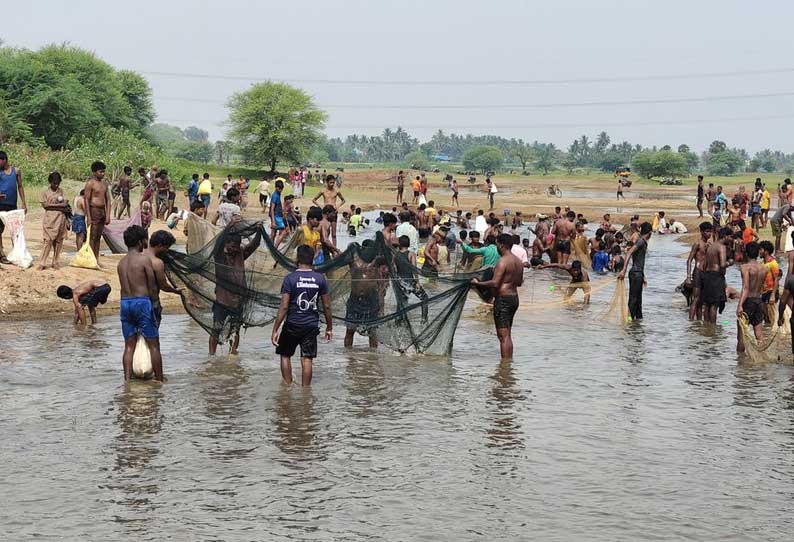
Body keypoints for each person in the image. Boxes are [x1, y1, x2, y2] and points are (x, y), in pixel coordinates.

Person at [271, 245, 332, 386]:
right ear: (313, 259)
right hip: (311, 325)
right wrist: (329, 327)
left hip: (292, 323)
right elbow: (327, 306)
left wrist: (275, 329)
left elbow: (284, 306)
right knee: (307, 359)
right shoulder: (320, 279)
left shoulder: (290, 279)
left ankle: (287, 387)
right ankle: (306, 391)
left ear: (297, 259)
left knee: (285, 355)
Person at [117, 225, 164, 381]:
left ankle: (127, 381)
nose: (146, 242)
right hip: (141, 302)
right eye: (145, 239)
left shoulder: (121, 263)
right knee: (153, 344)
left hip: (125, 303)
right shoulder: (144, 260)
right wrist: (155, 305)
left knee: (129, 346)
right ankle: (159, 380)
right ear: (140, 241)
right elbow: (151, 285)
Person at [210, 228, 263, 355]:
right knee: (216, 328)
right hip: (222, 300)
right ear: (226, 244)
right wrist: (229, 226)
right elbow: (217, 244)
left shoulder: (240, 253)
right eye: (233, 246)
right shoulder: (220, 256)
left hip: (238, 300)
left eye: (238, 246)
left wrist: (260, 231)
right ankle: (211, 356)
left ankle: (233, 353)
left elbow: (254, 244)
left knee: (236, 329)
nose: (235, 249)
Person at [471, 234, 524, 359]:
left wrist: (478, 284)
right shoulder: (518, 261)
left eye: (496, 245)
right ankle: (508, 364)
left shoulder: (503, 261)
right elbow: (519, 283)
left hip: (503, 300)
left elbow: (495, 283)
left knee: (502, 336)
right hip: (514, 299)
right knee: (507, 334)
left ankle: (504, 368)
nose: (496, 248)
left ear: (501, 245)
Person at [344, 240, 383, 349]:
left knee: (372, 332)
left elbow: (390, 257)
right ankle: (349, 358)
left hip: (371, 300)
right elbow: (342, 257)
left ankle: (372, 360)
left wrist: (382, 243)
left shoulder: (376, 262)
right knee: (350, 330)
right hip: (355, 300)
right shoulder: (354, 261)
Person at [146, 230, 184, 329]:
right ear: (159, 245)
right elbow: (163, 286)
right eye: (166, 248)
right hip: (151, 302)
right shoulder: (157, 262)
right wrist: (176, 291)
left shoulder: (138, 257)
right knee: (152, 339)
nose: (167, 251)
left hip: (135, 301)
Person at [736, 242, 767, 353]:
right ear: (758, 253)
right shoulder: (764, 268)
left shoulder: (745, 267)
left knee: (741, 335)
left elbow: (746, 287)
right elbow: (763, 287)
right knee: (759, 334)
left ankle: (740, 363)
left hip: (748, 301)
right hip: (759, 301)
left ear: (746, 253)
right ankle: (762, 359)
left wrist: (740, 305)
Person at [619, 222, 652, 321]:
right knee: (633, 299)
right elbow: (629, 252)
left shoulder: (642, 241)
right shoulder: (641, 241)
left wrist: (643, 276)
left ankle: (637, 322)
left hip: (638, 273)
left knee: (638, 300)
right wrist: (624, 270)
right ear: (650, 233)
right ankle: (628, 320)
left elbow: (639, 260)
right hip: (636, 274)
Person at [0, 150, 28, 264]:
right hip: (0, 204)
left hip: (12, 204)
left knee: (14, 230)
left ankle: (16, 253)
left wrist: (24, 202)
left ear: (5, 160)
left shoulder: (16, 171)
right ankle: (1, 254)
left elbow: (20, 186)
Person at [37, 171, 69, 270]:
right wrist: (60, 206)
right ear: (50, 182)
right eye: (54, 183)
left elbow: (65, 204)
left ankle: (55, 261)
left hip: (60, 219)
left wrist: (55, 207)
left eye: (58, 183)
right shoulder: (45, 192)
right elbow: (45, 206)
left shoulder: (61, 191)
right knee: (48, 240)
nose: (56, 185)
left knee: (59, 241)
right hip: (50, 220)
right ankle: (42, 262)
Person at [700, 227, 732, 324]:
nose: (731, 239)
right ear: (726, 236)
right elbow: (722, 264)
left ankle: (706, 327)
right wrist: (730, 262)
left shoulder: (711, 246)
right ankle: (713, 329)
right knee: (714, 305)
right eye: (730, 237)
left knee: (707, 305)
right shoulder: (721, 247)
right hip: (716, 277)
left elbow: (704, 265)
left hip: (708, 276)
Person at [83, 161, 110, 266]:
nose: (103, 174)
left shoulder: (104, 184)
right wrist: (88, 216)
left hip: (102, 211)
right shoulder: (90, 183)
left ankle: (96, 259)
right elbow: (86, 200)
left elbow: (108, 200)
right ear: (94, 172)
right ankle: (91, 259)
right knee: (92, 237)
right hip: (93, 210)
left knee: (98, 236)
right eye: (101, 172)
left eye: (104, 172)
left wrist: (107, 215)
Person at [686, 222, 712, 320]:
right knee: (696, 299)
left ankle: (700, 321)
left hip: (706, 273)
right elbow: (689, 260)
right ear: (701, 232)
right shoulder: (697, 244)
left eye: (710, 231)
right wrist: (688, 277)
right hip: (697, 272)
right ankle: (691, 322)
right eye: (707, 231)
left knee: (703, 300)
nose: (709, 234)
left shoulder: (709, 244)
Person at [311, 175, 346, 245]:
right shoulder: (323, 191)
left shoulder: (336, 191)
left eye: (333, 183)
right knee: (325, 232)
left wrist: (338, 206)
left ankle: (334, 250)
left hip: (333, 213)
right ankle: (325, 247)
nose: (332, 184)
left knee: (334, 234)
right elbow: (314, 200)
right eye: (330, 183)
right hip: (325, 213)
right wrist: (321, 206)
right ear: (327, 182)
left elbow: (343, 200)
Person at [759, 240, 780, 324]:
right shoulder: (761, 263)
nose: (759, 252)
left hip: (771, 292)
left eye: (761, 250)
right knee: (766, 318)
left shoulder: (773, 263)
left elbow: (776, 280)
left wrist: (773, 295)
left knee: (772, 318)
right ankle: (767, 335)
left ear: (766, 251)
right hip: (764, 293)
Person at [270, 179, 288, 248]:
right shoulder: (275, 196)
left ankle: (271, 247)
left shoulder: (277, 194)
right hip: (276, 216)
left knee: (273, 233)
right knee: (284, 231)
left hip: (277, 216)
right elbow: (272, 208)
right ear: (276, 187)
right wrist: (273, 221)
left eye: (281, 189)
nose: (280, 190)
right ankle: (275, 247)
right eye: (279, 189)